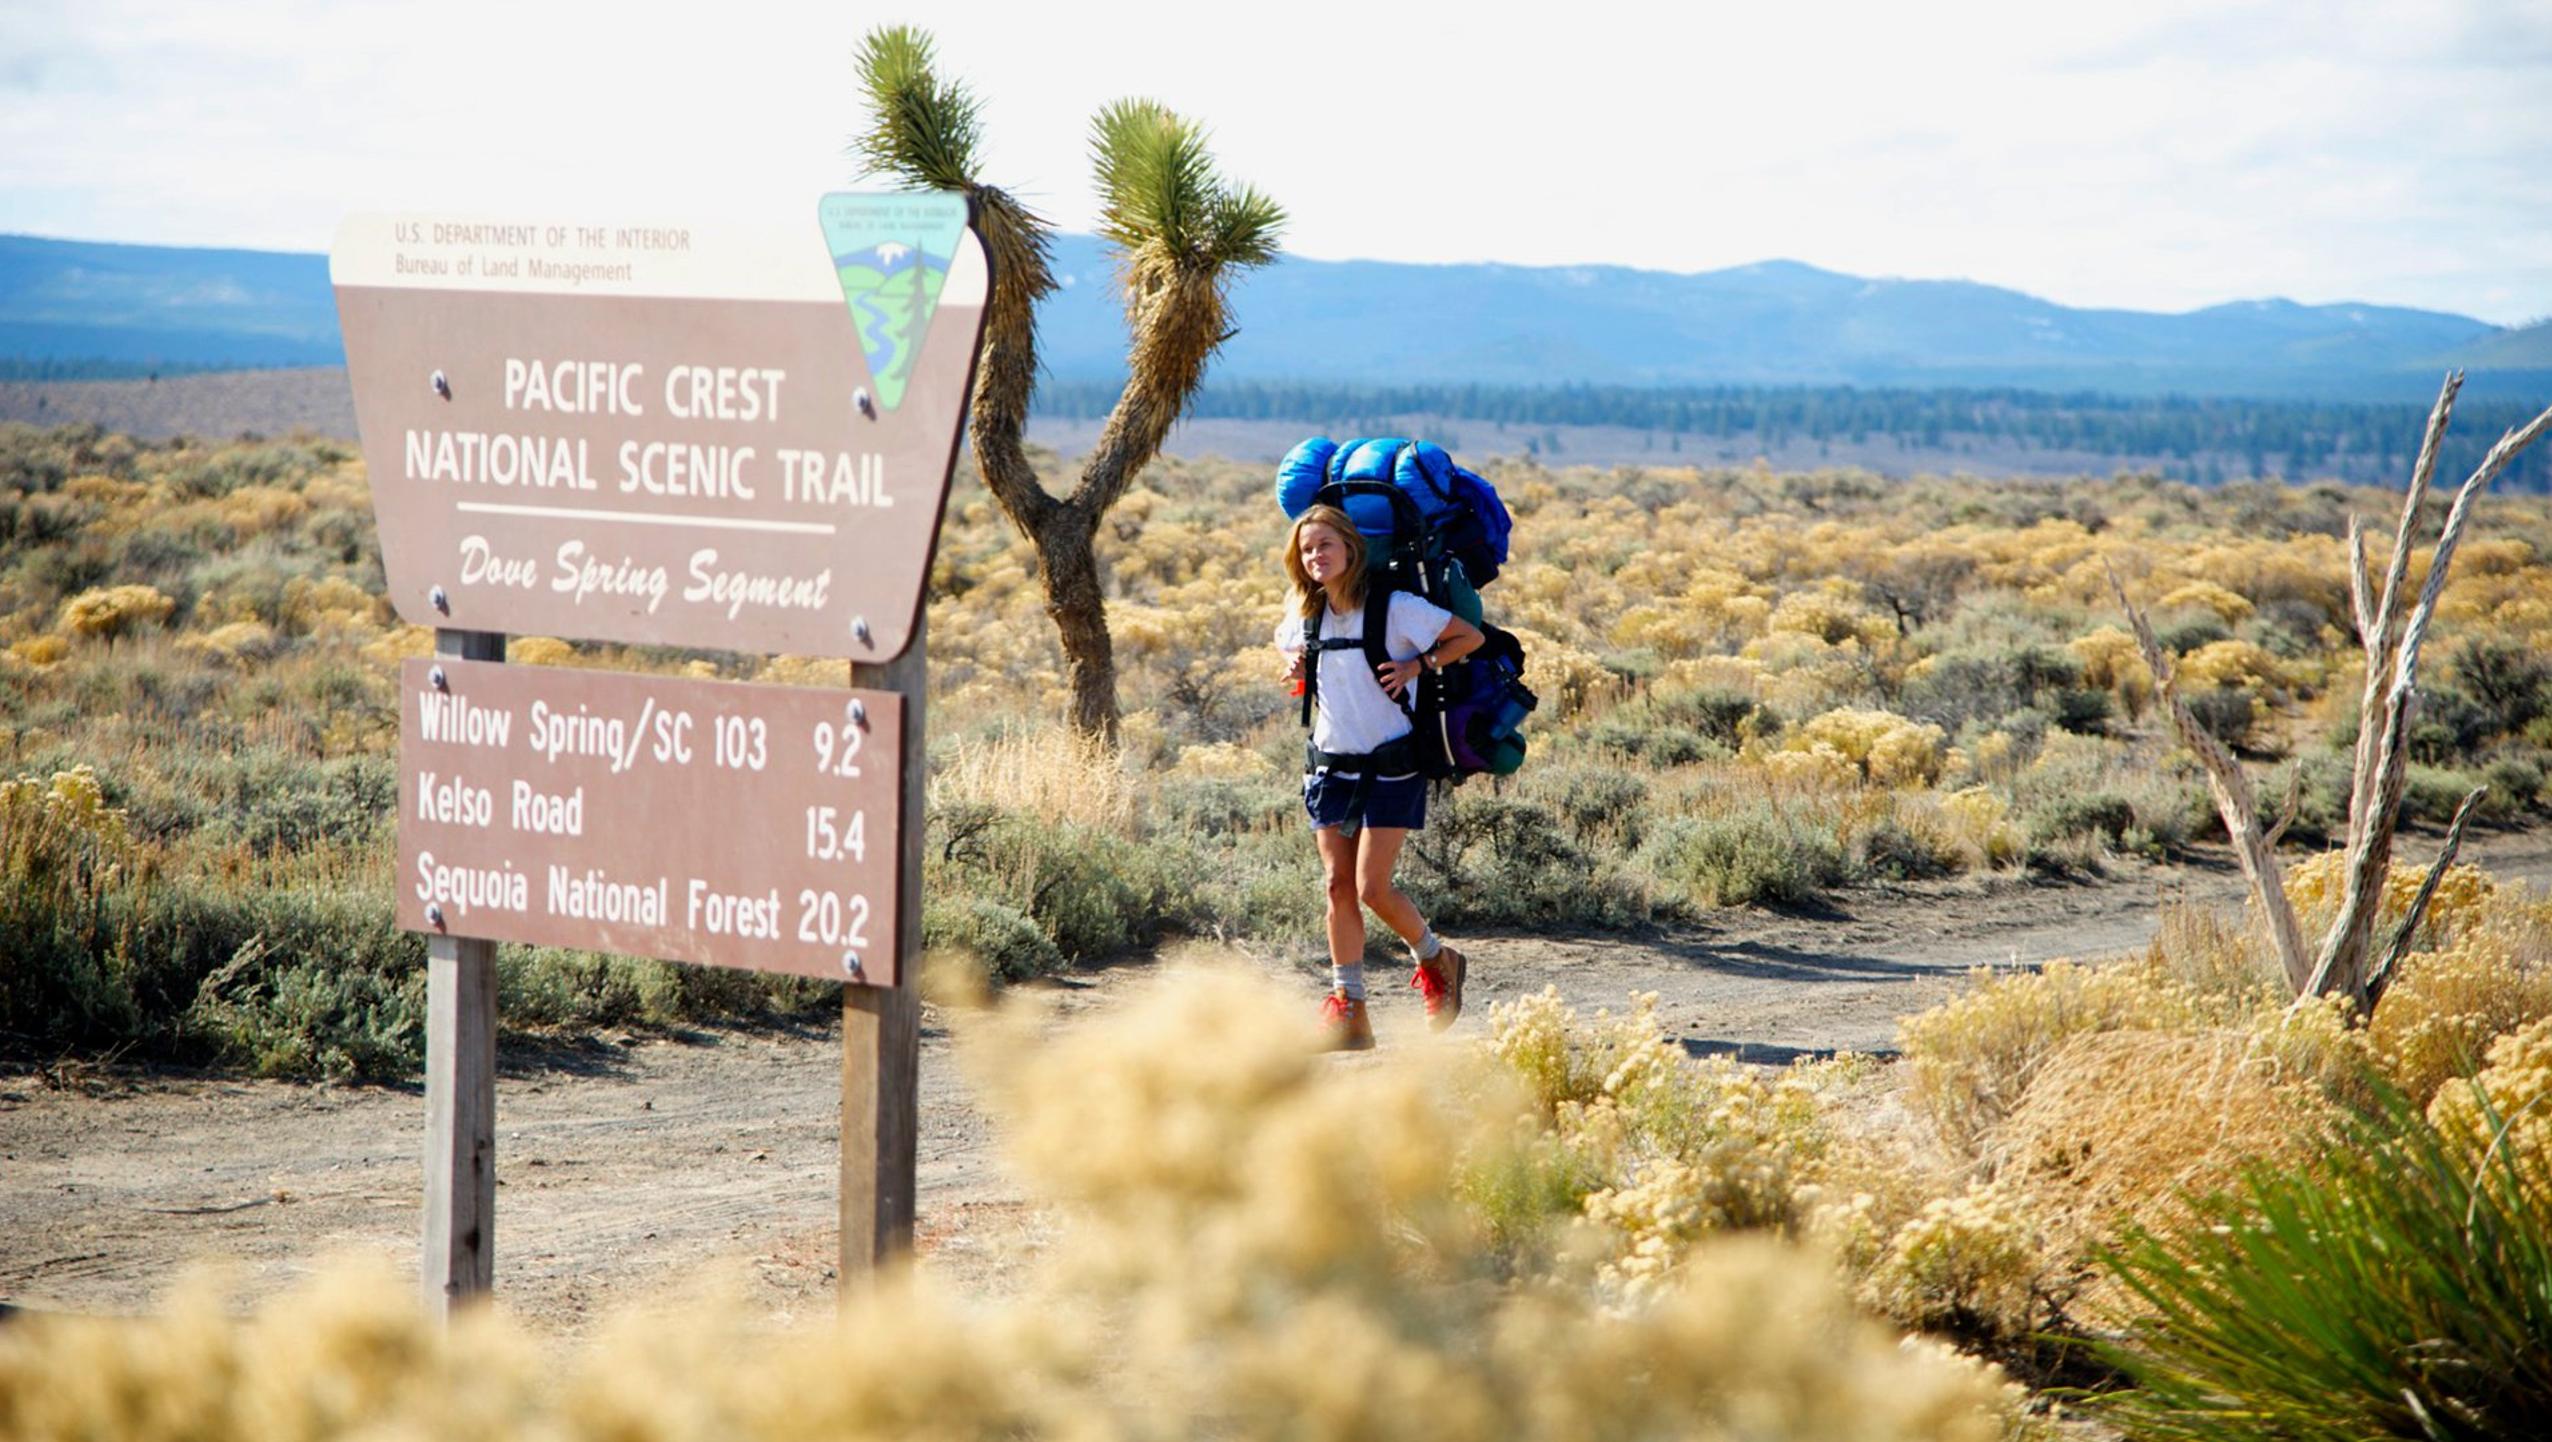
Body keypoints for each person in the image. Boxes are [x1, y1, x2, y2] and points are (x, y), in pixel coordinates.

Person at [1274, 504, 1485, 1050]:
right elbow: (1303, 674)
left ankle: (1438, 958)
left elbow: (1469, 637)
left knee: (1371, 887)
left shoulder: (1396, 608)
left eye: (1325, 545)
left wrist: (1419, 665)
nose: (1315, 556)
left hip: (1392, 763)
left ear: (1350, 547)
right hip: (1330, 764)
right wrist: (1297, 672)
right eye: (1306, 548)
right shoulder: (1303, 615)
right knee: (1336, 886)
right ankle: (1350, 1010)